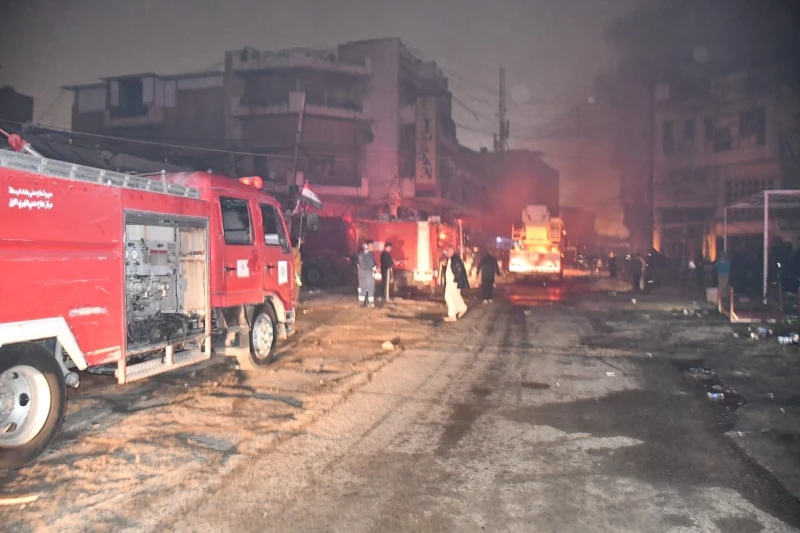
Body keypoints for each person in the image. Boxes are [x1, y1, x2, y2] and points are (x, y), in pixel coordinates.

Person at [441, 246, 469, 322]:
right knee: (455, 296)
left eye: (449, 251)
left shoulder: (456, 259)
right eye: (447, 251)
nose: (447, 253)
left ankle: (453, 315)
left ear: (452, 252)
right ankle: (462, 308)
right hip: (451, 282)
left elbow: (460, 270)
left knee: (449, 297)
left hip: (453, 282)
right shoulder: (451, 259)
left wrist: (456, 279)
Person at [356, 241, 377, 307]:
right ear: (368, 247)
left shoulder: (360, 254)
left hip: (360, 272)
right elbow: (372, 264)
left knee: (362, 288)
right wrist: (376, 270)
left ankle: (361, 303)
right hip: (368, 273)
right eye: (372, 246)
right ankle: (371, 303)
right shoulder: (370, 254)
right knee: (370, 287)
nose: (373, 247)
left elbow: (357, 263)